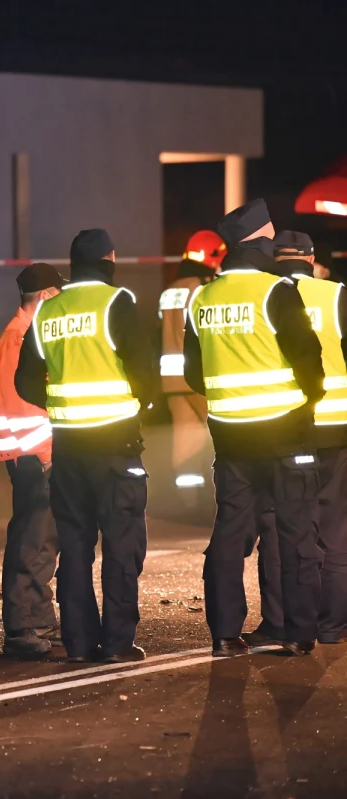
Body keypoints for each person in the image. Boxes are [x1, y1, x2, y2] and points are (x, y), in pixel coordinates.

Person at [183, 201, 325, 657]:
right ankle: (299, 633)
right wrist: (306, 403)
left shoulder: (202, 298)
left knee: (229, 533)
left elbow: (193, 373)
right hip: (284, 432)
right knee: (294, 533)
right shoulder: (276, 291)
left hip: (230, 436)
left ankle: (224, 634)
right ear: (261, 244)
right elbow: (309, 362)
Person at [15, 230, 158, 663]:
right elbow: (145, 373)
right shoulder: (118, 302)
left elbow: (25, 382)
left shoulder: (48, 311)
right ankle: (117, 645)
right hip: (115, 445)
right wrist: (138, 405)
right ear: (110, 259)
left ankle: (78, 643)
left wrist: (61, 405)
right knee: (121, 546)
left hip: (69, 448)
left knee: (75, 550)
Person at [248, 231, 347, 647]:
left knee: (279, 527)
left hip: (283, 428)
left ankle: (281, 620)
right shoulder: (336, 295)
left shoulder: (263, 294)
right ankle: (333, 625)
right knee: (336, 528)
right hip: (336, 426)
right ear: (310, 259)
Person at [0, 263, 64, 658]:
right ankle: (22, 628)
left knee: (43, 540)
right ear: (47, 296)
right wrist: (48, 455)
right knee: (31, 541)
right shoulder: (20, 338)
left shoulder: (20, 334)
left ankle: (39, 621)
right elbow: (26, 404)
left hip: (30, 453)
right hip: (33, 454)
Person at [159, 231, 224, 492]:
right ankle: (212, 497)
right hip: (199, 375)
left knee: (184, 442)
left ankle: (186, 499)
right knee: (217, 437)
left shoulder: (170, 291)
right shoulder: (202, 288)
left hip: (171, 381)